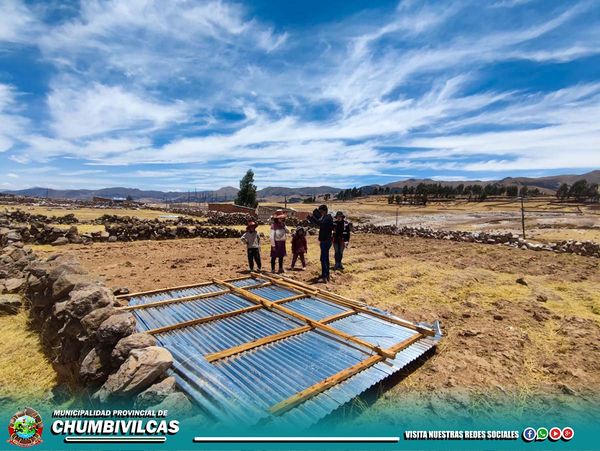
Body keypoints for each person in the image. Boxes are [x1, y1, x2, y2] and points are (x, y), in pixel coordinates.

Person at [309, 204, 334, 282]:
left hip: (325, 241)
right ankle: (326, 274)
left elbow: (320, 224)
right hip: (325, 240)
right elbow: (319, 223)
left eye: (321, 211)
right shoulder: (325, 217)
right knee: (325, 258)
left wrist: (312, 217)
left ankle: (325, 276)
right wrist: (312, 218)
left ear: (324, 211)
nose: (320, 213)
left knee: (323, 258)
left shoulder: (328, 217)